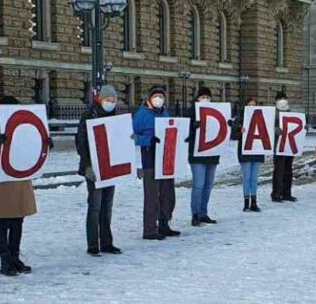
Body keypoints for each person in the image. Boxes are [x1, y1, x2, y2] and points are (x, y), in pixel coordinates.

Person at [0, 96, 40, 276]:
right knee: (4, 221)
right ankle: (5, 260)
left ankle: (15, 256)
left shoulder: (22, 126)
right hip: (3, 182)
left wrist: (43, 145)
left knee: (18, 220)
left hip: (20, 179)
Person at [76, 85, 122, 256]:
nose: (110, 103)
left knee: (107, 205)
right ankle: (93, 244)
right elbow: (81, 142)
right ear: (100, 99)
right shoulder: (89, 115)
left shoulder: (115, 117)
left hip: (110, 167)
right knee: (95, 205)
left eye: (113, 100)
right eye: (108, 100)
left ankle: (107, 242)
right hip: (94, 167)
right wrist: (87, 165)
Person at [133, 86, 181, 239]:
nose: (159, 99)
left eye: (161, 96)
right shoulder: (141, 115)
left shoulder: (165, 112)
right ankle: (150, 229)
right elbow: (131, 136)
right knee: (152, 195)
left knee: (168, 193)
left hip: (166, 158)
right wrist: (148, 140)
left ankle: (164, 223)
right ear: (150, 98)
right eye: (156, 96)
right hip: (150, 158)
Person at [187, 87, 223, 226]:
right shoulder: (191, 112)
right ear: (198, 98)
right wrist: (193, 127)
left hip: (212, 154)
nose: (205, 100)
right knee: (198, 185)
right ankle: (195, 214)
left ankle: (203, 212)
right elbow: (184, 133)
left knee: (208, 185)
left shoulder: (216, 111)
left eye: (208, 97)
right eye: (203, 97)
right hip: (197, 155)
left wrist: (228, 125)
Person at [235, 97, 264, 211]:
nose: (252, 107)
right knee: (247, 177)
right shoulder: (241, 118)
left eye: (254, 104)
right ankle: (246, 202)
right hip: (245, 151)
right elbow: (233, 135)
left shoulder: (261, 117)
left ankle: (254, 202)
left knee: (254, 178)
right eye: (250, 105)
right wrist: (239, 132)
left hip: (257, 150)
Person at [271, 91, 297, 202]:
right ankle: (276, 193)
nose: (283, 101)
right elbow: (268, 127)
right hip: (278, 145)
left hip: (289, 145)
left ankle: (287, 193)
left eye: (284, 98)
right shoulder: (273, 113)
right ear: (276, 101)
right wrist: (275, 129)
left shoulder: (289, 112)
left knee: (288, 170)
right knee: (279, 171)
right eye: (280, 98)